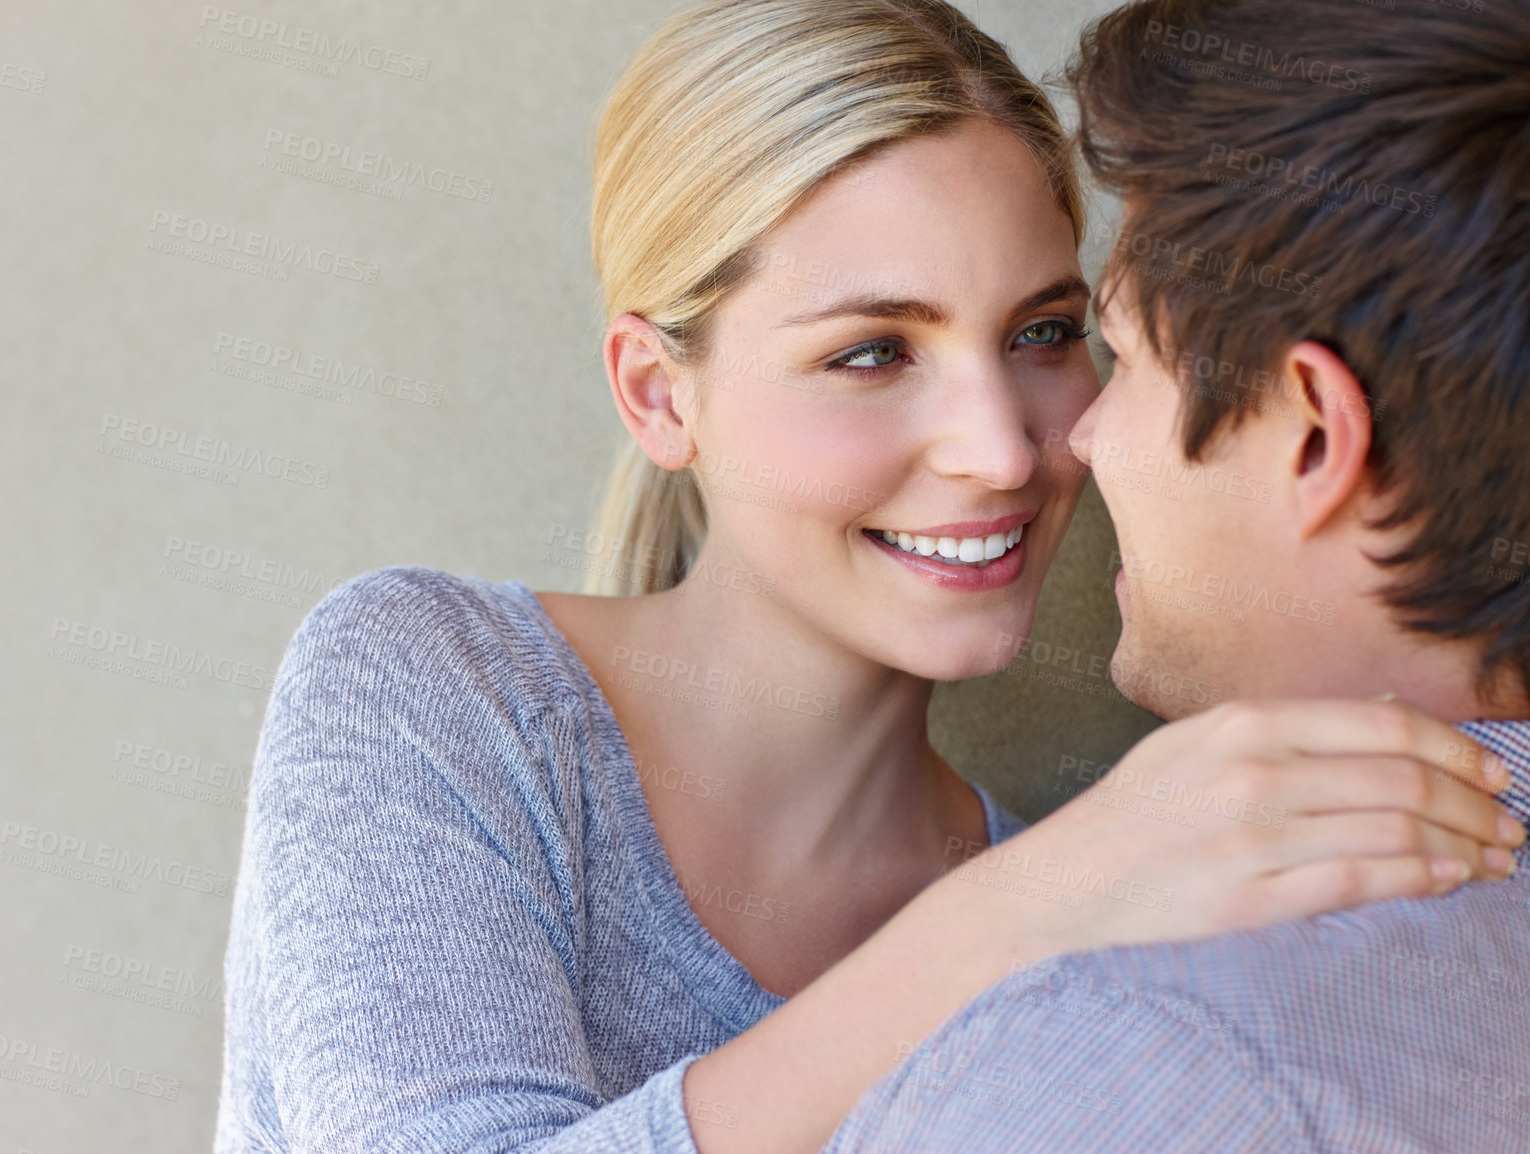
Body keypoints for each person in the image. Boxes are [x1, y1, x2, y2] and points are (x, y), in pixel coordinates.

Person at [211, 2, 1522, 1152]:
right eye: (873, 353)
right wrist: (1016, 914)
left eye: (1049, 334)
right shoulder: (435, 689)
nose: (1008, 445)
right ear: (659, 394)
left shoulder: (1114, 900)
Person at [821, 0, 1530, 1150]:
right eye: (872, 352)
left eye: (1120, 354)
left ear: (1312, 434)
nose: (1076, 440)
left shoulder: (1123, 1053)